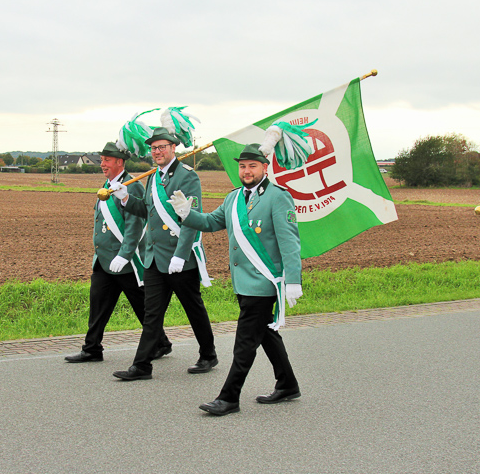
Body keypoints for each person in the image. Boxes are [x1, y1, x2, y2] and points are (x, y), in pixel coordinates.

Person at [169, 143, 302, 416]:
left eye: (252, 166)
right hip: (243, 281)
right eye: (242, 166)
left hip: (263, 282)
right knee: (266, 333)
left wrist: (293, 280)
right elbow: (210, 222)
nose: (246, 171)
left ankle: (229, 397)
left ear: (265, 168)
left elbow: (289, 242)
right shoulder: (233, 198)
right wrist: (186, 213)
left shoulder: (277, 197)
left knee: (244, 342)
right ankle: (287, 384)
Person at [110, 127, 217, 380]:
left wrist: (181, 254)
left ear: (173, 148)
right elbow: (147, 210)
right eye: (153, 148)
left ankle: (208, 354)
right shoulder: (153, 177)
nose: (157, 152)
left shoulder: (187, 176)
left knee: (193, 309)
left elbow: (191, 218)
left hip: (178, 258)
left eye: (161, 147)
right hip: (154, 257)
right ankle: (142, 366)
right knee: (152, 314)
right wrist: (125, 199)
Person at [64, 142, 170, 363]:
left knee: (142, 306)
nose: (102, 164)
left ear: (119, 162)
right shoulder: (107, 185)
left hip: (125, 261)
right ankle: (92, 348)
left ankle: (161, 343)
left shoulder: (132, 186)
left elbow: (135, 225)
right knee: (98, 306)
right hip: (104, 260)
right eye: (102, 160)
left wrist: (124, 254)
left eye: (107, 160)